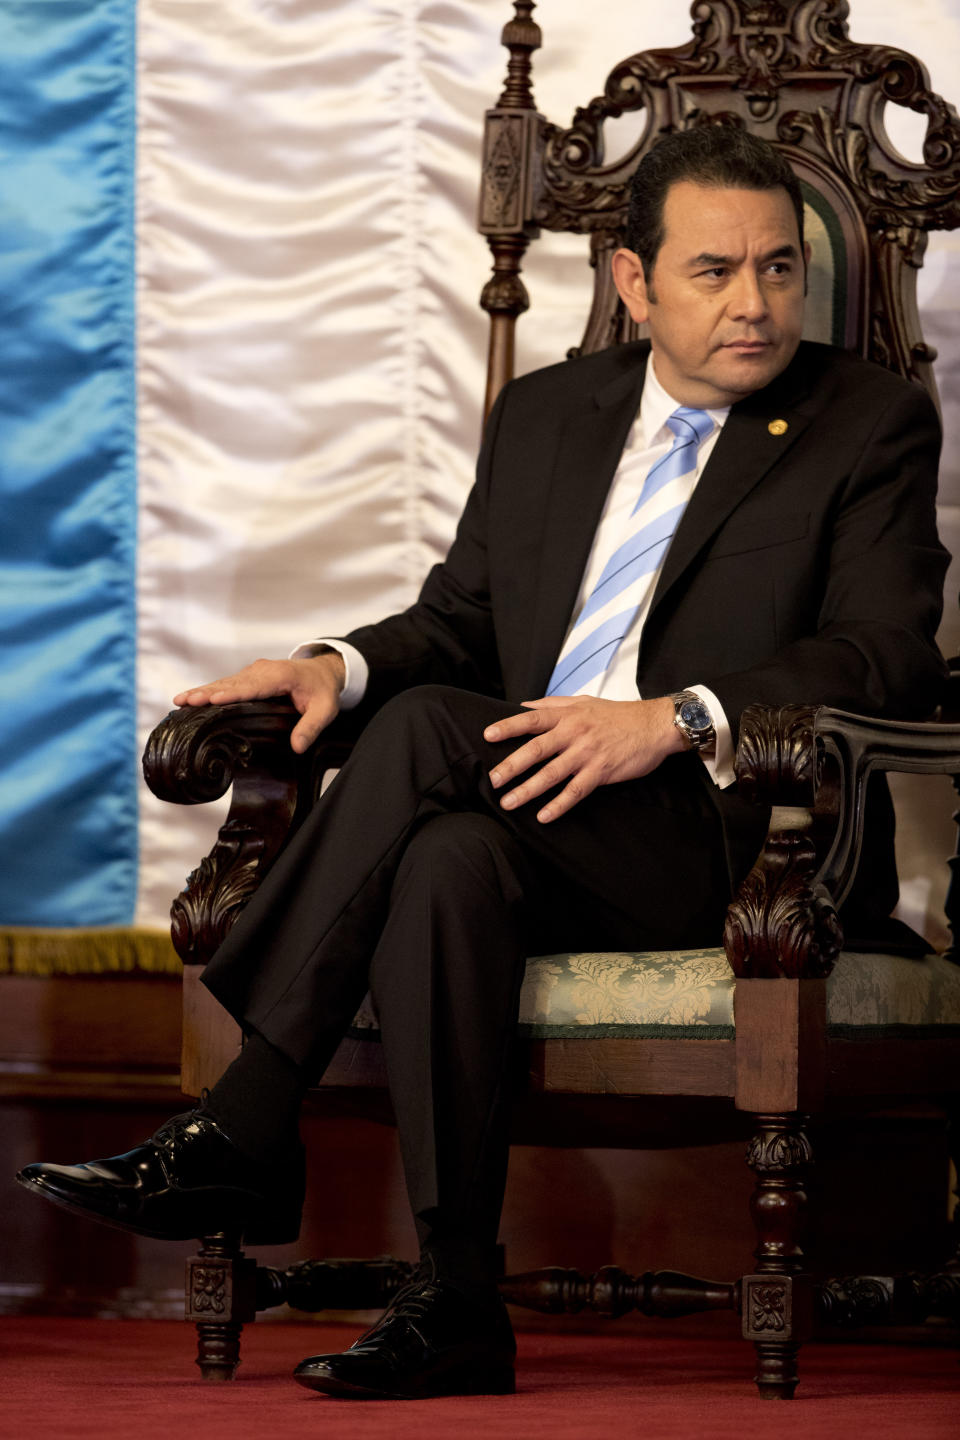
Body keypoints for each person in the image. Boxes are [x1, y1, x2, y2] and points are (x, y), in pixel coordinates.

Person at [18, 127, 948, 1400]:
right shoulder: (548, 416)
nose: (756, 303)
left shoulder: (868, 421)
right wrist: (329, 666)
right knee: (449, 857)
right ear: (634, 281)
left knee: (425, 738)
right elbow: (462, 620)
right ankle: (456, 1298)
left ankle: (246, 1116)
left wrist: (672, 717)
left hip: (743, 837)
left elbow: (884, 649)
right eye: (716, 271)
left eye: (781, 270)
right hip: (532, 816)